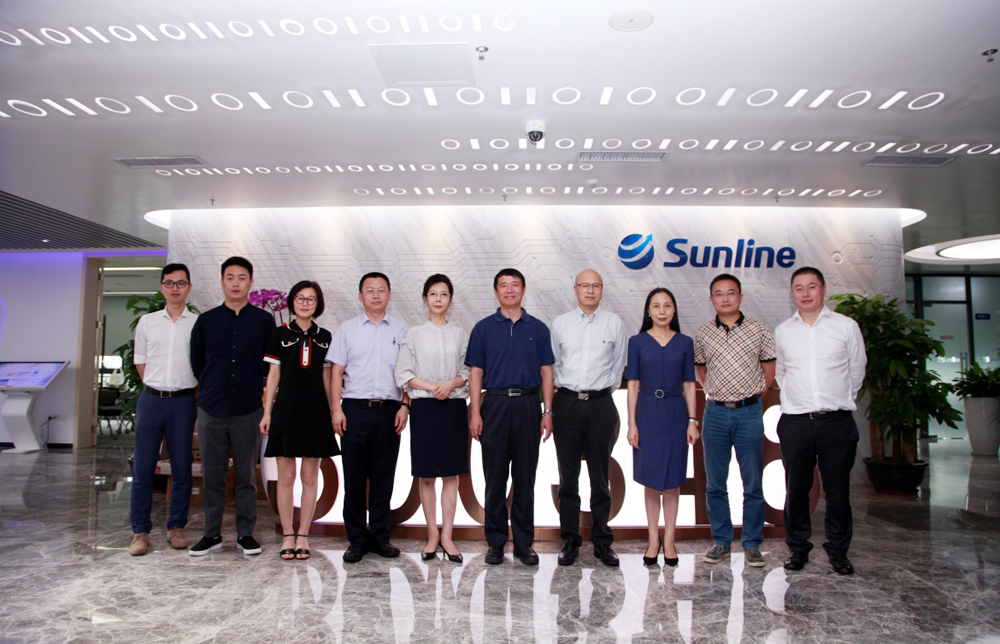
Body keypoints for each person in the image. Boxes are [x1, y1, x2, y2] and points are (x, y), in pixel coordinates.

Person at [774, 266, 866, 575]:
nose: (805, 293)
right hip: (796, 422)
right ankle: (798, 548)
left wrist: (838, 399)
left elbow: (857, 369)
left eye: (811, 287)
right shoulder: (783, 330)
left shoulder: (846, 326)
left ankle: (838, 551)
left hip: (836, 423)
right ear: (792, 293)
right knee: (796, 489)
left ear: (823, 289)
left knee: (837, 490)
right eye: (798, 288)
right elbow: (782, 373)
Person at [467, 268, 555, 566]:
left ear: (523, 289)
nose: (509, 290)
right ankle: (495, 543)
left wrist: (547, 411)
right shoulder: (483, 328)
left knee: (525, 478)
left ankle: (524, 543)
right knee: (494, 477)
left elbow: (546, 372)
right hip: (494, 405)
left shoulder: (538, 328)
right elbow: (476, 373)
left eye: (514, 285)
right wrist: (475, 412)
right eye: (503, 285)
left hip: (529, 405)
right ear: (496, 292)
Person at [189, 256, 276, 556]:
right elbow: (197, 363)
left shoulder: (264, 321)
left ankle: (245, 534)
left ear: (251, 282)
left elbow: (269, 364)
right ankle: (211, 534)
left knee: (246, 476)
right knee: (212, 475)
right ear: (222, 282)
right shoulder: (206, 321)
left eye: (242, 278)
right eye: (230, 277)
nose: (236, 283)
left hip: (248, 408)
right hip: (211, 408)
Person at [694, 274, 776, 568]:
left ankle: (752, 543)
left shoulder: (759, 329)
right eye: (719, 293)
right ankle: (721, 541)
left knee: (752, 482)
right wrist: (720, 393)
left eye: (731, 292)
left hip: (748, 413)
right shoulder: (703, 333)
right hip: (715, 413)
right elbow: (701, 371)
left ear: (740, 297)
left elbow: (769, 371)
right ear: (712, 299)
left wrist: (748, 397)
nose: (725, 298)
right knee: (715, 484)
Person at [329, 272, 410, 563]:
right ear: (360, 295)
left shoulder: (401, 330)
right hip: (354, 410)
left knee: (383, 478)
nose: (376, 295)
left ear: (389, 295)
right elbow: (336, 372)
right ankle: (356, 538)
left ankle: (379, 537)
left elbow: (408, 373)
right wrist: (336, 409)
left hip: (390, 411)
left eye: (381, 290)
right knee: (353, 478)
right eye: (370, 290)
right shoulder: (347, 329)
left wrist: (405, 405)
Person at [550, 269, 627, 567]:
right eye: (585, 285)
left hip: (600, 405)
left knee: (600, 476)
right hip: (567, 403)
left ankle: (602, 541)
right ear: (575, 289)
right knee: (568, 477)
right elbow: (553, 365)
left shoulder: (614, 323)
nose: (590, 290)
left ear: (602, 289)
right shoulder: (560, 324)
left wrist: (601, 392)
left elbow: (618, 366)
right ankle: (570, 539)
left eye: (596, 285)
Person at [394, 274, 470, 563]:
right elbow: (403, 373)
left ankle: (448, 537)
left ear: (450, 299)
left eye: (444, 294)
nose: (439, 299)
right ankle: (432, 536)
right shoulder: (414, 334)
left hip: (453, 408)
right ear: (425, 298)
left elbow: (469, 370)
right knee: (426, 476)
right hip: (425, 408)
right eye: (433, 294)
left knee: (451, 475)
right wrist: (433, 387)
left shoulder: (460, 334)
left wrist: (450, 385)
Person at [260, 281, 339, 561]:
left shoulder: (325, 337)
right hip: (286, 411)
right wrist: (267, 412)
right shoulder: (280, 334)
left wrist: (333, 410)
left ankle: (303, 534)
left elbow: (328, 377)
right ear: (292, 302)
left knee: (309, 477)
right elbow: (273, 375)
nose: (305, 303)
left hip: (316, 412)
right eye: (300, 298)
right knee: (285, 478)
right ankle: (287, 534)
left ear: (318, 304)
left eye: (311, 299)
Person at [625, 288, 699, 567]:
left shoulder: (685, 342)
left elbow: (689, 384)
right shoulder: (637, 342)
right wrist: (632, 423)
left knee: (672, 480)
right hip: (647, 413)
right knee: (651, 479)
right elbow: (633, 384)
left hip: (676, 413)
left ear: (674, 310)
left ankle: (669, 539)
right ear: (648, 311)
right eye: (656, 306)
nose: (662, 311)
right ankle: (652, 539)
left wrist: (692, 420)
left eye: (667, 305)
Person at [128, 263, 198, 556]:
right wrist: (158, 387)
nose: (175, 288)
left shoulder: (197, 323)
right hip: (151, 400)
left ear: (189, 287)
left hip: (183, 402)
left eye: (181, 283)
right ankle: (140, 531)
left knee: (182, 467)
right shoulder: (147, 322)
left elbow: (202, 364)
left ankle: (176, 527)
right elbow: (140, 361)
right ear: (161, 287)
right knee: (143, 467)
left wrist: (180, 390)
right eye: (169, 283)